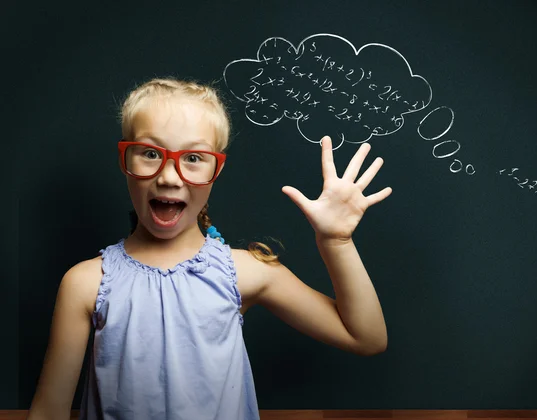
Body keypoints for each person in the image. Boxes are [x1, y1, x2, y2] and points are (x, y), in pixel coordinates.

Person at [26, 77, 392, 420]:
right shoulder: (85, 282)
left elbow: (366, 337)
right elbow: (49, 412)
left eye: (194, 158)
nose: (169, 176)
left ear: (216, 171)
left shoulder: (245, 271)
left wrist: (336, 241)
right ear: (125, 161)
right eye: (150, 153)